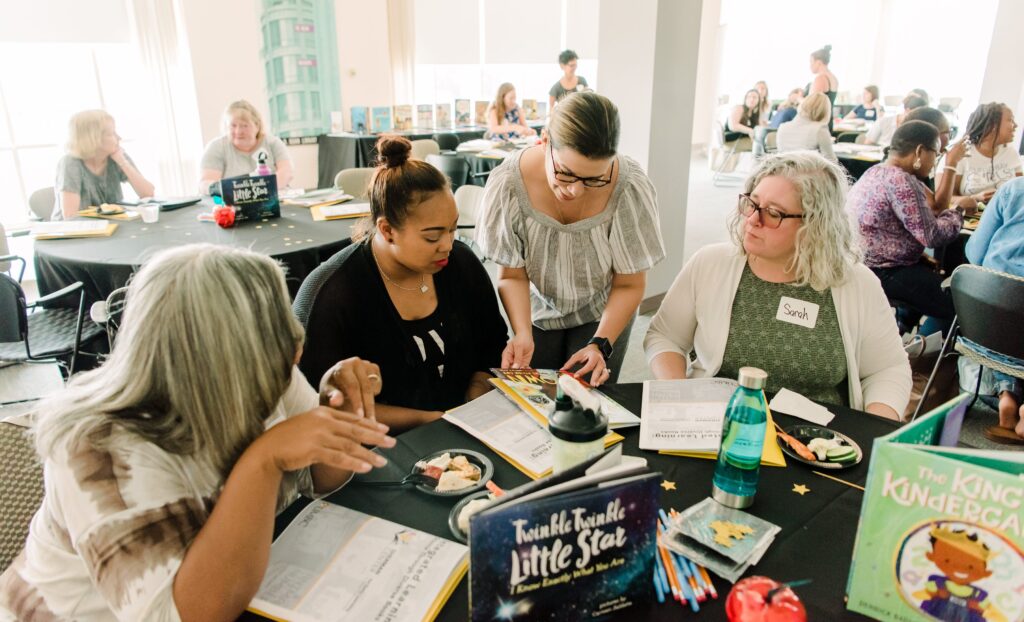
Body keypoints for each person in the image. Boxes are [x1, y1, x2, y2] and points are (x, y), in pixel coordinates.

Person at [0, 244, 395, 620]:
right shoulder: (99, 450)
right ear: (213, 358)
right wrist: (263, 460)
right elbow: (186, 615)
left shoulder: (262, 370)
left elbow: (318, 478)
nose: (296, 344)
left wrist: (337, 406)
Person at [645, 151, 911, 418]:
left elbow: (887, 369)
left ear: (815, 225)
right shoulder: (711, 263)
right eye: (752, 203)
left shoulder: (855, 283)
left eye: (773, 213)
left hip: (816, 441)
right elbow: (665, 336)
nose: (752, 220)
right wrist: (678, 397)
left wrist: (874, 428)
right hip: (719, 424)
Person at [297, 136, 508, 431]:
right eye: (432, 236)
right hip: (378, 447)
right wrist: (437, 421)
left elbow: (493, 344)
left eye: (453, 228)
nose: (447, 244)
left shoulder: (461, 264)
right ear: (387, 230)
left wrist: (477, 390)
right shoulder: (332, 294)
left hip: (467, 428)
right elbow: (323, 404)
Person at [476, 91, 665, 386]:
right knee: (537, 398)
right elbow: (512, 275)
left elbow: (630, 283)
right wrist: (522, 332)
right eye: (566, 173)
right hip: (538, 309)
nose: (576, 190)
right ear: (545, 140)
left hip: (603, 308)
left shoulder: (629, 187)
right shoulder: (509, 185)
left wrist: (600, 343)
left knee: (587, 402)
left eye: (594, 179)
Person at [848, 121, 974, 336]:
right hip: (885, 271)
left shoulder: (876, 171)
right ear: (919, 151)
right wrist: (959, 211)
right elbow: (933, 236)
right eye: (935, 153)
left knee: (930, 281)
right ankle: (924, 353)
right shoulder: (901, 181)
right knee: (963, 306)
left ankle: (900, 333)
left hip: (863, 263)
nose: (935, 162)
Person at [965, 176, 1024, 443]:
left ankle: (1007, 395)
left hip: (985, 322)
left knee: (1010, 307)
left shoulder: (1013, 189)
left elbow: (975, 253)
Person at [53, 110, 155, 220]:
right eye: (111, 134)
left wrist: (122, 161)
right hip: (75, 230)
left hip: (108, 225)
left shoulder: (116, 155)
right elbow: (70, 215)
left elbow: (147, 193)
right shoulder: (70, 163)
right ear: (93, 139)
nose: (119, 138)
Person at [199, 100, 293, 193]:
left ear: (257, 126)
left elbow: (287, 173)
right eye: (233, 126)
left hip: (274, 198)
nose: (238, 131)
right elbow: (205, 183)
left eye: (244, 126)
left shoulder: (273, 143)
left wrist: (261, 192)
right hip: (233, 204)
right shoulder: (217, 147)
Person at [951, 103, 1022, 209]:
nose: (1016, 125)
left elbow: (1021, 192)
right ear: (993, 125)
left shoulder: (1011, 154)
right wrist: (974, 198)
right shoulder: (962, 153)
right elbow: (946, 198)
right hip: (969, 220)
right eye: (1010, 120)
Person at [776, 92, 836, 160]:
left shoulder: (782, 127)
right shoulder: (820, 129)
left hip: (785, 170)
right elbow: (832, 161)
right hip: (809, 170)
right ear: (825, 111)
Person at [805, 45, 838, 132]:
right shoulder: (833, 77)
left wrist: (797, 98)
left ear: (819, 62)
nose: (810, 65)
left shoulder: (820, 79)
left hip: (818, 124)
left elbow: (811, 106)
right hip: (827, 122)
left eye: (811, 62)